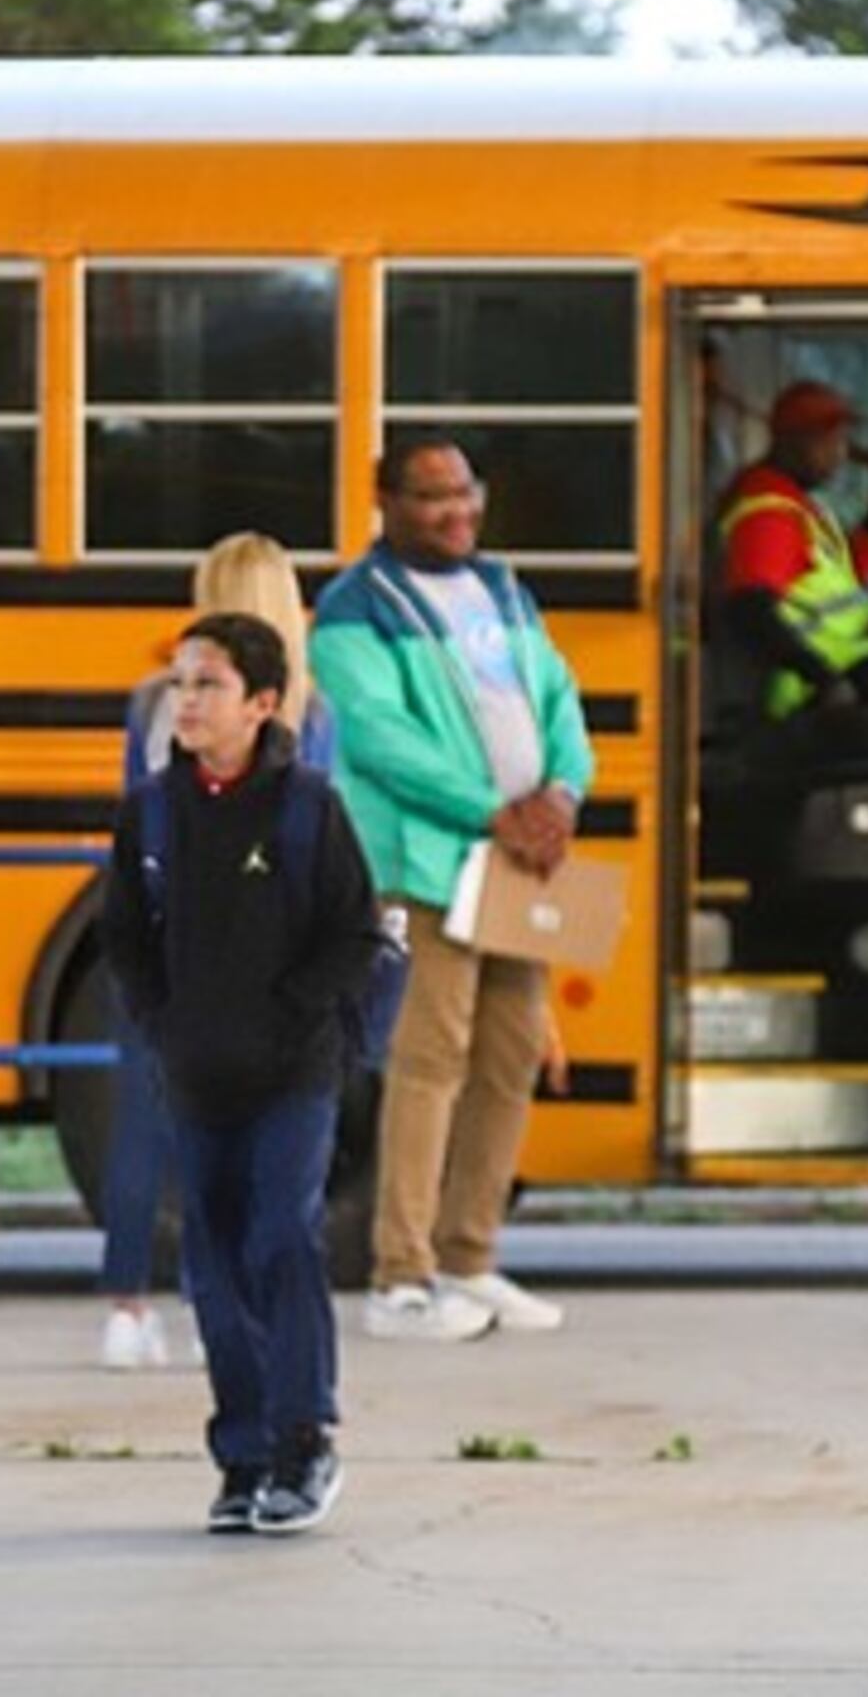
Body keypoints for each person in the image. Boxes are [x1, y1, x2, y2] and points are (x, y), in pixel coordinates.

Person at [105, 612, 384, 1536]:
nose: (184, 700)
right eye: (179, 682)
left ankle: (305, 1440)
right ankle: (245, 1455)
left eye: (207, 684)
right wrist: (163, 1021)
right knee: (213, 1269)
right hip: (196, 1076)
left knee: (281, 1238)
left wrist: (295, 1012)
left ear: (263, 703)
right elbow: (126, 940)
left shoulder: (307, 807)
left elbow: (355, 932)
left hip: (293, 1075)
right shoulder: (149, 810)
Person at [310, 435, 593, 1343]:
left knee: (511, 1058)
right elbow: (378, 735)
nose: (455, 510)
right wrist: (492, 809)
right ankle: (403, 1274)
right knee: (431, 1060)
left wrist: (562, 792)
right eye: (432, 497)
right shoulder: (357, 607)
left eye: (465, 490)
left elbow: (558, 697)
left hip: (518, 858)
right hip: (431, 859)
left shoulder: (503, 589)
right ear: (386, 502)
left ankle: (470, 1257)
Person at [98, 531, 344, 1374]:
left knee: (147, 1115)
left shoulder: (152, 702)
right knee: (258, 1143)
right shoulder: (307, 712)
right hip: (265, 952)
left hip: (173, 936)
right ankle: (242, 1313)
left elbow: (139, 803)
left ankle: (127, 1306)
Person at [714, 380, 868, 720]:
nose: (840, 455)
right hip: (807, 689)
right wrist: (824, 679)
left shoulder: (795, 506)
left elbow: (836, 584)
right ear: (791, 443)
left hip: (845, 656)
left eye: (843, 442)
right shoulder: (769, 516)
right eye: (830, 442)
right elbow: (750, 609)